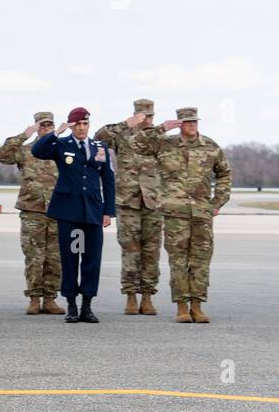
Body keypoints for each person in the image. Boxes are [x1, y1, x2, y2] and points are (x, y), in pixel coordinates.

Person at [129, 107, 231, 323]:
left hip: (202, 213)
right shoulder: (165, 144)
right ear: (179, 124)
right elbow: (136, 144)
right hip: (176, 214)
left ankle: (197, 305)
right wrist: (160, 129)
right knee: (178, 261)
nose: (192, 124)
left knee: (201, 260)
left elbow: (224, 173)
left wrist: (218, 201)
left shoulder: (210, 146)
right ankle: (182, 306)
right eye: (187, 121)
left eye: (194, 121)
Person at [31, 107, 115, 323]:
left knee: (91, 259)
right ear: (70, 125)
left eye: (85, 124)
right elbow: (37, 151)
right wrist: (56, 132)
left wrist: (108, 211)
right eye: (77, 124)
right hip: (69, 212)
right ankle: (71, 305)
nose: (81, 128)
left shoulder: (99, 147)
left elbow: (108, 179)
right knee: (70, 259)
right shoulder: (61, 144)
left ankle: (87, 306)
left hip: (93, 212)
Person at [95, 98, 163, 315]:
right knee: (130, 250)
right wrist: (126, 124)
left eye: (150, 116)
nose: (147, 120)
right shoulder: (122, 135)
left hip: (153, 202)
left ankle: (148, 296)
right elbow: (98, 138)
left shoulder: (159, 137)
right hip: (128, 202)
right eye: (143, 116)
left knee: (151, 252)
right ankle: (131, 296)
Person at [0, 111, 65, 316]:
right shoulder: (25, 150)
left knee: (55, 257)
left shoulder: (61, 150)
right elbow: (2, 155)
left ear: (54, 127)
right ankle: (34, 299)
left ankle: (50, 299)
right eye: (41, 125)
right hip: (31, 210)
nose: (45, 129)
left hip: (57, 211)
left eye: (48, 125)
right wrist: (24, 135)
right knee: (34, 257)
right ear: (36, 126)